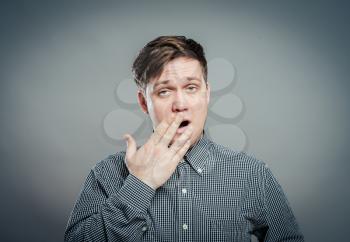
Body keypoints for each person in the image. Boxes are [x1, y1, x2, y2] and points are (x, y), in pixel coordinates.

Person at [64, 36, 304, 242]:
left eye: (191, 88)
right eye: (164, 91)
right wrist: (140, 184)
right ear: (143, 102)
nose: (180, 105)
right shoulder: (106, 174)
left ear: (207, 94)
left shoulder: (252, 174)